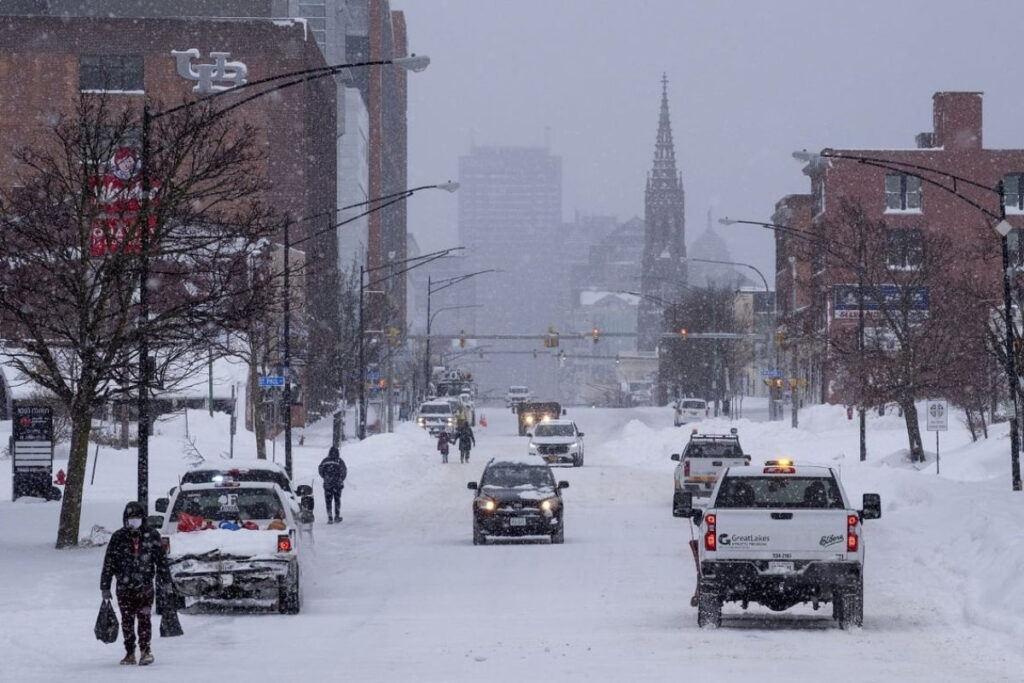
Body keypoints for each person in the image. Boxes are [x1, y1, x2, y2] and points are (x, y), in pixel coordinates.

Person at [100, 501, 171, 666]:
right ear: (125, 518)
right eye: (131, 517)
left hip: (144, 586)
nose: (134, 520)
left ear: (143, 518)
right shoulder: (118, 537)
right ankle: (130, 652)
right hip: (124, 587)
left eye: (137, 517)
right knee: (127, 619)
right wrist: (105, 585)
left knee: (144, 619)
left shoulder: (152, 535)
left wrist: (166, 581)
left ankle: (145, 650)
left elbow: (161, 561)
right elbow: (109, 562)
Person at [318, 446, 348, 524]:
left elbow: (320, 470)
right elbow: (344, 471)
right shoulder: (339, 461)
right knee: (337, 500)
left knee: (328, 501)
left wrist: (325, 477)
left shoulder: (325, 461)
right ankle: (337, 516)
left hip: (327, 484)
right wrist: (340, 479)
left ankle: (330, 517)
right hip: (337, 484)